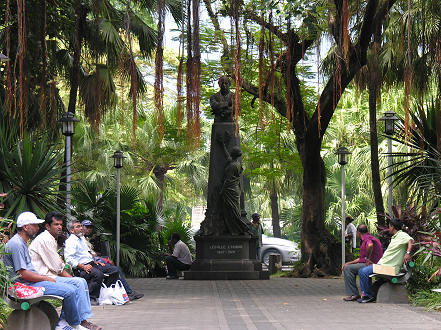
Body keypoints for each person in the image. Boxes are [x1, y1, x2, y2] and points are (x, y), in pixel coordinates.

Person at [3, 211, 101, 330]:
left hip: (31, 281)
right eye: (35, 225)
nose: (38, 228)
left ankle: (71, 322)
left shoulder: (21, 242)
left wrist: (45, 278)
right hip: (23, 285)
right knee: (69, 291)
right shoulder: (17, 244)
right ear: (25, 227)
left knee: (74, 287)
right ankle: (71, 324)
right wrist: (45, 278)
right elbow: (23, 273)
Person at [81, 220, 143, 300]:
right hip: (88, 262)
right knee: (113, 268)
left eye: (90, 227)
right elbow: (85, 255)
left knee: (114, 267)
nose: (89, 229)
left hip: (93, 259)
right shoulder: (79, 239)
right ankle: (128, 292)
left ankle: (125, 292)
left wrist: (98, 256)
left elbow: (90, 253)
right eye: (87, 227)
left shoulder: (86, 238)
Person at [358, 218, 414, 303]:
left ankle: (368, 296)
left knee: (363, 271)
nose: (388, 228)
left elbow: (411, 240)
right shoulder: (395, 237)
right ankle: (369, 294)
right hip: (384, 265)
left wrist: (408, 253)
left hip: (390, 268)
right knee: (363, 270)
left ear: (393, 227)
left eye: (389, 226)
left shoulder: (401, 234)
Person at [64, 219, 120, 305]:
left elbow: (87, 253)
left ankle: (105, 293)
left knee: (114, 270)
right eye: (78, 227)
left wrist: (95, 261)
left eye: (81, 226)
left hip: (91, 263)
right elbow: (69, 259)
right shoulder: (71, 242)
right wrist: (83, 266)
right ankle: (91, 297)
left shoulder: (81, 239)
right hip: (81, 268)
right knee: (98, 275)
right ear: (72, 230)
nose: (81, 228)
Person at [342, 224, 383, 301]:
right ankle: (357, 294)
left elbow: (370, 245)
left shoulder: (367, 238)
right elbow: (360, 259)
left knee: (348, 269)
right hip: (370, 263)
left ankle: (354, 294)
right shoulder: (367, 238)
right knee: (348, 266)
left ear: (358, 232)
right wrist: (348, 263)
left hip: (373, 264)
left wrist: (367, 259)